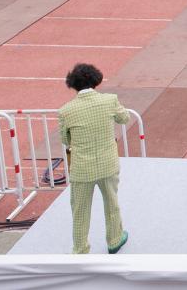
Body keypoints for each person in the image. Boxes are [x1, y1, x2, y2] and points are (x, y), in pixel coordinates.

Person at [57, 63, 131, 254]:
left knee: (80, 212)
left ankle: (80, 249)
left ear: (73, 83)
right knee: (112, 203)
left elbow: (65, 139)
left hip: (82, 169)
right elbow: (124, 119)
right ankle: (115, 240)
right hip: (108, 163)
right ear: (95, 80)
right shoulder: (109, 100)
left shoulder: (66, 110)